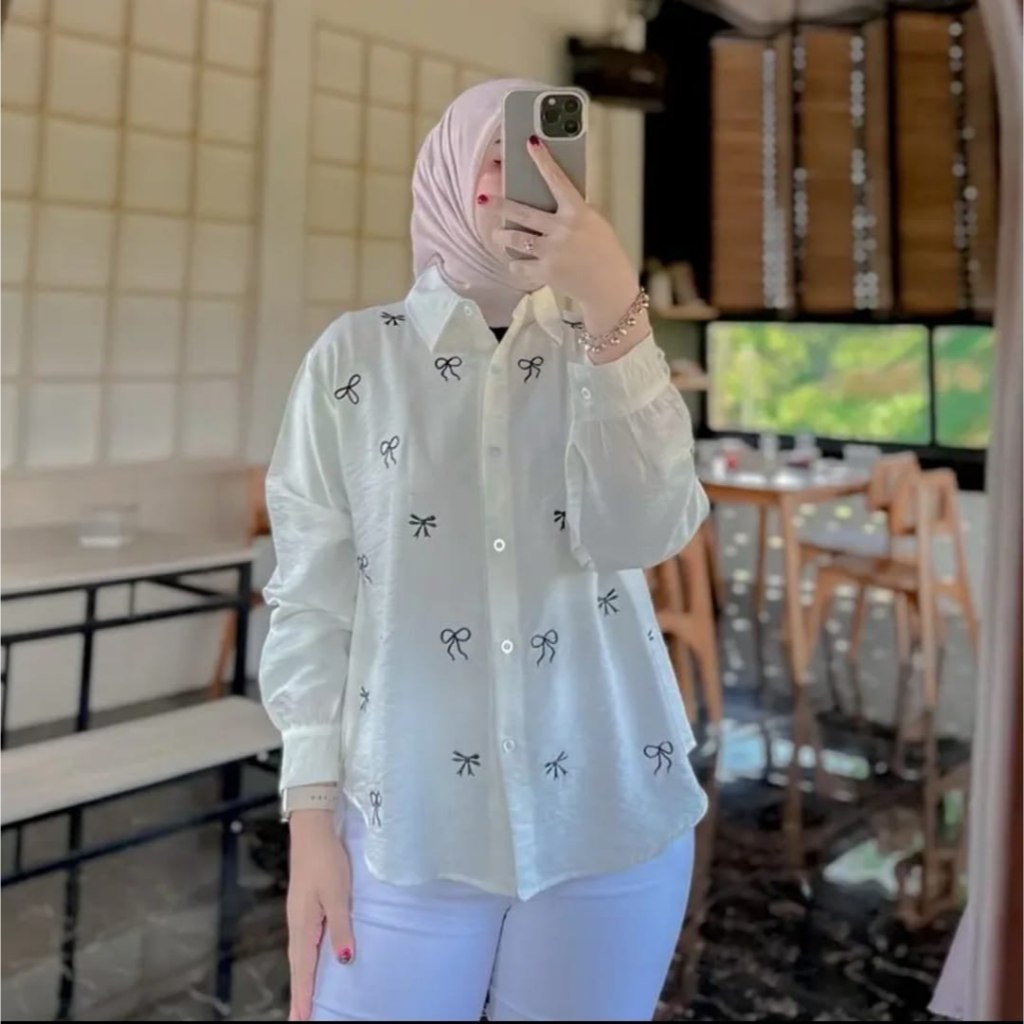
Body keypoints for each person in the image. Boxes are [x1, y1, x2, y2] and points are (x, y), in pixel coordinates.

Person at [259, 77, 710, 1022]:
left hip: (610, 813)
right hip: (406, 827)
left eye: (547, 160)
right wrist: (310, 822)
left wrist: (613, 301)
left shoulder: (605, 346)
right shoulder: (355, 359)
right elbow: (312, 598)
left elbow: (645, 531)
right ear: (445, 176)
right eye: (497, 156)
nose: (521, 181)